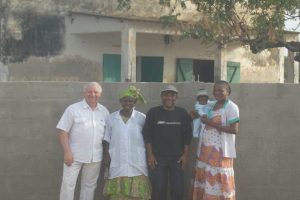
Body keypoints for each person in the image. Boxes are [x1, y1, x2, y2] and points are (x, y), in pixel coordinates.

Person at [56, 82, 109, 200]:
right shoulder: (73, 109)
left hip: (95, 157)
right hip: (74, 155)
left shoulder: (104, 111)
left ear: (100, 94)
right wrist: (67, 152)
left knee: (89, 186)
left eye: (96, 92)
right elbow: (62, 131)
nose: (93, 94)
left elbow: (107, 135)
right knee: (68, 185)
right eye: (90, 92)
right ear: (84, 93)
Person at [191, 80, 240, 200]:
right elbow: (201, 111)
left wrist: (210, 123)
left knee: (218, 183)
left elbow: (234, 130)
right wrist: (196, 114)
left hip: (221, 153)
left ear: (228, 92)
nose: (217, 92)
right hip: (205, 152)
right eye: (215, 90)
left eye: (221, 90)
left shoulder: (231, 107)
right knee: (205, 181)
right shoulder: (212, 105)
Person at [143, 85, 192, 200]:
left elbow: (187, 136)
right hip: (158, 158)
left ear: (176, 97)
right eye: (166, 95)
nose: (169, 98)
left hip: (178, 159)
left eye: (172, 95)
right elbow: (147, 135)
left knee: (178, 189)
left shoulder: (182, 113)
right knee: (158, 189)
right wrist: (150, 155)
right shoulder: (153, 112)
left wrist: (185, 156)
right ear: (161, 97)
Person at [103, 86, 151, 200]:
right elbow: (107, 139)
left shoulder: (141, 118)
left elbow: (148, 139)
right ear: (120, 101)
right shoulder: (111, 118)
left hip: (137, 162)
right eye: (125, 100)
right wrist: (106, 156)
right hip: (117, 161)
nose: (127, 103)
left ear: (135, 102)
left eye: (130, 101)